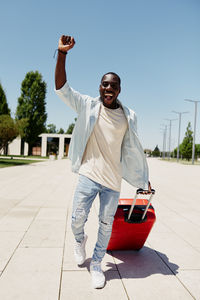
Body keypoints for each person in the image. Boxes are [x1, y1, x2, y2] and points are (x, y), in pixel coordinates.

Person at [55, 35, 151, 289]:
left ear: (119, 90)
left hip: (112, 180)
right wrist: (62, 54)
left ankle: (97, 264)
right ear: (99, 87)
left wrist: (143, 179)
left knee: (106, 225)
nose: (108, 89)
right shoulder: (87, 105)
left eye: (113, 86)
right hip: (88, 174)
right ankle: (79, 240)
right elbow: (62, 88)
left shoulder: (129, 116)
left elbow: (133, 151)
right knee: (77, 218)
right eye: (104, 85)